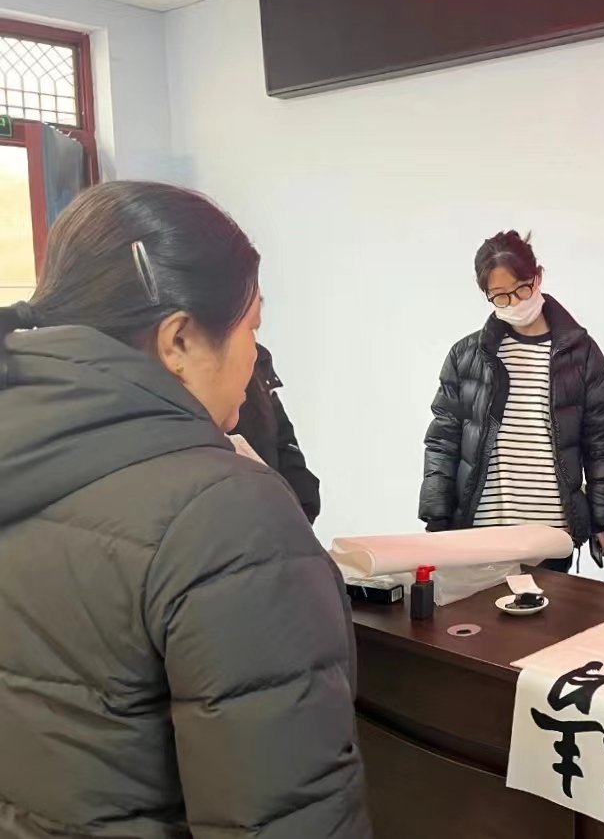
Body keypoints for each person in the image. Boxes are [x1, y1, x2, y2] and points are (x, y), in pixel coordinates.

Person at [0, 182, 370, 838]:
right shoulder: (226, 513)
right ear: (178, 341)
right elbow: (280, 815)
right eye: (253, 328)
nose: (255, 356)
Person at [420, 230, 604, 572]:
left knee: (551, 609)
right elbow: (442, 443)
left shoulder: (581, 354)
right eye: (501, 297)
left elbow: (602, 441)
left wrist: (601, 520)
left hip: (551, 536)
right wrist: (436, 522)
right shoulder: (466, 356)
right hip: (480, 534)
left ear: (537, 277)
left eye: (522, 289)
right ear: (486, 295)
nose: (515, 303)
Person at [231, 344, 322, 523]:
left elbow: (283, 440)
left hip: (276, 519)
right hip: (231, 515)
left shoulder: (259, 359)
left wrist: (303, 504)